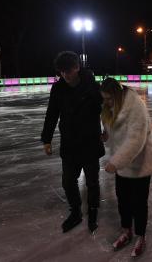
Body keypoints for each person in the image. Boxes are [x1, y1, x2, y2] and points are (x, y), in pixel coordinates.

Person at [41, 51, 105, 233]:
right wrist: (47, 139)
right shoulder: (58, 88)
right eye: (62, 72)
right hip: (69, 144)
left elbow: (106, 109)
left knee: (92, 182)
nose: (65, 75)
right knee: (68, 182)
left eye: (68, 71)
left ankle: (93, 211)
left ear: (77, 67)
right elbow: (52, 113)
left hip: (91, 142)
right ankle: (75, 211)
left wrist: (108, 129)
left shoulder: (92, 86)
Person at [100, 78, 152, 258]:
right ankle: (127, 231)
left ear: (117, 94)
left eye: (109, 98)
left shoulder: (135, 106)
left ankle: (141, 236)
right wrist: (106, 135)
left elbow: (135, 140)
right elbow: (114, 127)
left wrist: (115, 162)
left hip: (140, 165)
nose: (107, 102)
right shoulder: (111, 106)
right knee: (123, 200)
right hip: (123, 165)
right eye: (104, 99)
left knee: (139, 204)